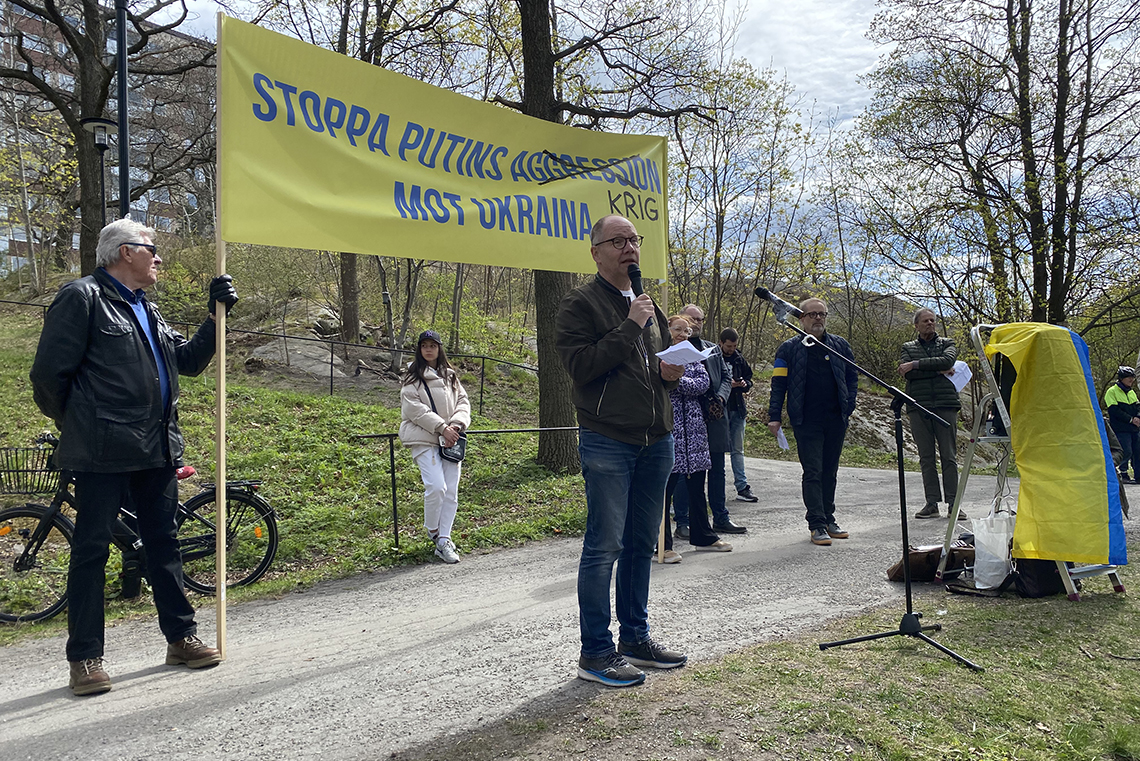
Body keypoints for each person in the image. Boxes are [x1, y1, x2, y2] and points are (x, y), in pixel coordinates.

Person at [29, 217, 237, 696]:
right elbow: (47, 377)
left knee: (163, 544)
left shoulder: (149, 309)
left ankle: (181, 637)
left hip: (157, 448)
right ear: (125, 252)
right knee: (91, 552)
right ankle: (85, 658)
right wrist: (83, 424)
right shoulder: (82, 298)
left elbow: (186, 363)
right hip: (102, 452)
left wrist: (214, 316)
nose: (159, 257)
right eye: (152, 249)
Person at [556, 214, 687, 688]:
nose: (630, 248)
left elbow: (636, 370)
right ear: (596, 251)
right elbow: (583, 368)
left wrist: (665, 372)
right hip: (607, 439)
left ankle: (635, 638)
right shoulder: (579, 303)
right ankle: (595, 653)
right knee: (604, 546)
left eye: (634, 240)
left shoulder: (642, 301)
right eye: (618, 241)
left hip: (656, 439)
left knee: (640, 544)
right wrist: (632, 326)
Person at [767, 298, 858, 546]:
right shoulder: (788, 349)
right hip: (806, 420)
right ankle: (816, 523)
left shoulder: (840, 345)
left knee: (830, 471)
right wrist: (774, 416)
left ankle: (829, 518)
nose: (817, 318)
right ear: (801, 318)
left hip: (835, 418)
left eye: (822, 314)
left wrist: (848, 406)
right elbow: (779, 385)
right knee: (813, 471)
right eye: (812, 314)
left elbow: (852, 377)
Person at [660, 314, 733, 562]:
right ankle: (661, 544)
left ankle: (703, 535)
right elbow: (661, 381)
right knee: (664, 489)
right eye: (678, 329)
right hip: (670, 428)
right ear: (667, 329)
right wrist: (674, 379)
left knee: (696, 487)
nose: (683, 334)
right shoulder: (659, 354)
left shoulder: (692, 355)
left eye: (687, 331)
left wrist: (676, 379)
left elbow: (703, 383)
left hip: (695, 430)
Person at [672, 304, 747, 538]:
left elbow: (726, 376)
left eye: (700, 320)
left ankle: (721, 517)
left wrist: (722, 398)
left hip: (714, 417)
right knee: (686, 471)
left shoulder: (713, 349)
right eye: (691, 319)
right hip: (686, 419)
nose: (696, 324)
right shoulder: (674, 349)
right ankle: (683, 521)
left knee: (716, 469)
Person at [399, 329, 472, 564]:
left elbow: (463, 402)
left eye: (433, 345)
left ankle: (444, 540)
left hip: (451, 440)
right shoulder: (412, 378)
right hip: (424, 438)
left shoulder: (450, 376)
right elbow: (414, 409)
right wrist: (442, 427)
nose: (428, 349)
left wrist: (457, 425)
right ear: (419, 350)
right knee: (436, 486)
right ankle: (433, 531)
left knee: (451, 491)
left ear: (439, 348)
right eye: (424, 345)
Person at [898, 308, 964, 520]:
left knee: (949, 456)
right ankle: (931, 503)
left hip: (946, 405)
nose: (930, 323)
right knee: (926, 457)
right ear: (916, 325)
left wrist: (916, 365)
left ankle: (954, 504)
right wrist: (937, 371)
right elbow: (908, 374)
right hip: (919, 406)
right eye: (925, 321)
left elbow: (947, 361)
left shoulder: (948, 343)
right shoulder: (907, 347)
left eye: (933, 320)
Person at [718, 327, 758, 504]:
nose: (731, 349)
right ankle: (714, 489)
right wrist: (727, 386)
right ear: (721, 343)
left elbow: (749, 379)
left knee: (738, 450)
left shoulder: (739, 358)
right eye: (728, 346)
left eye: (734, 346)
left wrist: (744, 384)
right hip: (719, 410)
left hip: (738, 409)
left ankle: (742, 487)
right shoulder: (713, 358)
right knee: (716, 451)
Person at [1104, 366, 1140, 483]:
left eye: (1133, 377)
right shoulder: (1112, 391)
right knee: (1126, 450)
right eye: (1129, 377)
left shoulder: (1131, 393)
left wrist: (1138, 418)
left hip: (1134, 428)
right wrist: (1131, 419)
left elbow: (1138, 407)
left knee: (1137, 451)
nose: (1132, 380)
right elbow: (1114, 411)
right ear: (1122, 378)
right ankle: (1122, 473)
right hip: (1121, 427)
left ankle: (1138, 475)